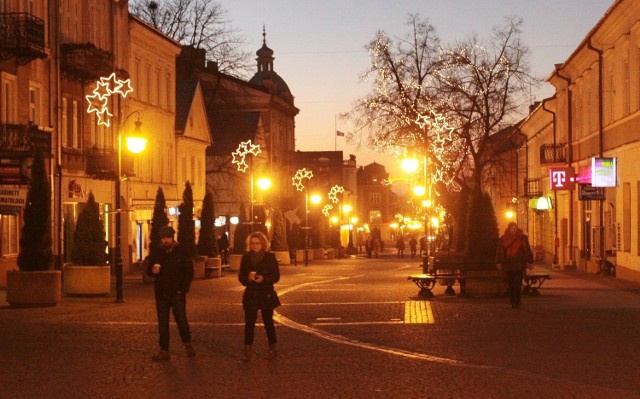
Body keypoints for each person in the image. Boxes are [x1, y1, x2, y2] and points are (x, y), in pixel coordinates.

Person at [146, 226, 195, 361]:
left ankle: (187, 344)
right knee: (162, 323)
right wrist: (152, 271)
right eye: (163, 238)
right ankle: (164, 350)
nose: (165, 240)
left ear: (172, 238)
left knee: (181, 320)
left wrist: (183, 289)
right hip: (161, 293)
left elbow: (189, 272)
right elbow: (149, 269)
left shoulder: (181, 251)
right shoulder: (157, 252)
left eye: (167, 237)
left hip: (177, 293)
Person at [238, 231, 281, 361]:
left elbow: (276, 276)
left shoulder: (269, 257)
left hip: (265, 293)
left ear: (263, 244)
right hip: (251, 293)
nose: (254, 246)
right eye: (252, 243)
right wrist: (248, 278)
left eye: (257, 243)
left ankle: (272, 348)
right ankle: (248, 351)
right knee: (249, 323)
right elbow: (241, 277)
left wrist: (264, 278)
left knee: (268, 322)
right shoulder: (246, 257)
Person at [497, 222, 534, 308]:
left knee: (517, 284)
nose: (513, 230)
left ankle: (517, 301)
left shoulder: (522, 238)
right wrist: (498, 261)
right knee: (510, 284)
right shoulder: (503, 239)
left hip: (519, 264)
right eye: (512, 228)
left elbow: (527, 250)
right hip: (508, 264)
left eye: (515, 228)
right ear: (509, 229)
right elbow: (500, 251)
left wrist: (530, 261)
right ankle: (512, 301)